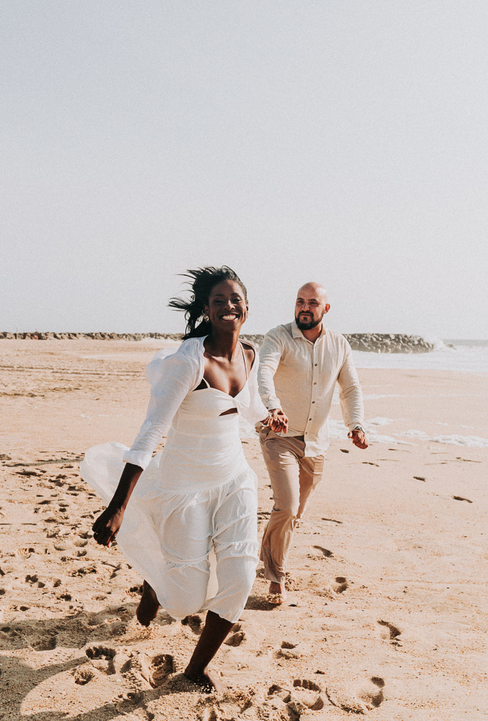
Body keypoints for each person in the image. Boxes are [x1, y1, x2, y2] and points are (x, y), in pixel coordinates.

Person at [83, 266, 265, 692]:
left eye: (234, 299)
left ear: (246, 308)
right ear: (206, 309)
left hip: (235, 480)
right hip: (184, 488)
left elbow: (250, 404)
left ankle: (195, 669)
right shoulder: (188, 362)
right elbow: (150, 434)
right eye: (218, 301)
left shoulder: (250, 354)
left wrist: (269, 418)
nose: (228, 306)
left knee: (240, 578)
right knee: (184, 600)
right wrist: (117, 507)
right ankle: (154, 583)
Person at [256, 282, 367, 604]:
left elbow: (350, 389)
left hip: (316, 443)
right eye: (300, 302)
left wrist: (356, 424)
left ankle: (266, 557)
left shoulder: (339, 345)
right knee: (287, 507)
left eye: (312, 303)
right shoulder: (277, 337)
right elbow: (263, 371)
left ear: (325, 309)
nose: (304, 308)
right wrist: (272, 405)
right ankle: (276, 576)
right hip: (279, 436)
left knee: (294, 514)